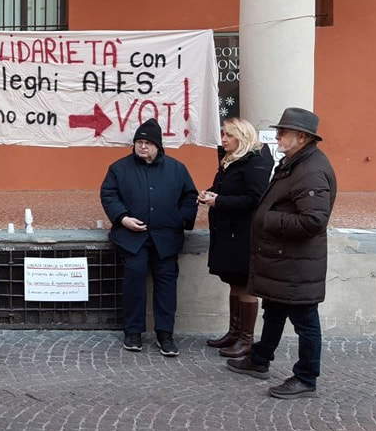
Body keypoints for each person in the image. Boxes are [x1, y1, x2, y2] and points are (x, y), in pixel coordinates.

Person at [226, 108, 337, 399]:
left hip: (297, 263)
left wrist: (268, 219)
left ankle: (306, 378)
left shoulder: (311, 170)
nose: (277, 137)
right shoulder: (294, 162)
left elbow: (314, 221)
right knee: (274, 310)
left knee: (305, 320)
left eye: (282, 132)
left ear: (302, 137)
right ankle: (260, 359)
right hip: (283, 258)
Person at [100, 118, 198, 357]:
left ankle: (165, 334)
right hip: (132, 239)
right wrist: (123, 218)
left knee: (166, 286)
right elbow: (109, 194)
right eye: (139, 142)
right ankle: (133, 332)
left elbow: (190, 197)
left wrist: (179, 219)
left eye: (148, 143)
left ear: (158, 146)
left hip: (166, 238)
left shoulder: (177, 169)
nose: (143, 146)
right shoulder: (119, 168)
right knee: (134, 283)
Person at [201, 118, 274, 358]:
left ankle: (246, 339)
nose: (223, 139)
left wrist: (219, 201)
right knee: (234, 281)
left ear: (242, 137)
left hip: (244, 233)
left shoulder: (255, 161)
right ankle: (234, 333)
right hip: (227, 231)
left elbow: (255, 198)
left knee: (245, 283)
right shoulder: (231, 160)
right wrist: (210, 194)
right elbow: (225, 188)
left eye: (228, 135)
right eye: (223, 134)